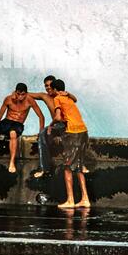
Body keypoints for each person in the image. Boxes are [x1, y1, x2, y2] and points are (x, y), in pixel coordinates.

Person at [0, 83, 45, 173]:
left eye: (23, 94)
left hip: (18, 124)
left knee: (12, 134)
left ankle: (12, 162)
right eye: (18, 94)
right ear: (15, 92)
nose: (20, 97)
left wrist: (41, 132)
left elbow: (41, 116)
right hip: (6, 121)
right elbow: (0, 114)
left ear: (26, 93)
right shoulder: (9, 99)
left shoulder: (30, 100)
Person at [29, 75, 89, 178]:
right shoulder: (45, 96)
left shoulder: (62, 96)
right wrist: (17, 92)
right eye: (46, 86)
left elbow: (75, 99)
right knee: (42, 134)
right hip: (57, 125)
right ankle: (44, 168)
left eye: (50, 86)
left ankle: (81, 165)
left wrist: (68, 93)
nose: (48, 88)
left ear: (55, 87)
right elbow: (29, 95)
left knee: (78, 138)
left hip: (66, 124)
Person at [50, 79, 91, 209]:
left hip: (73, 133)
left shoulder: (57, 98)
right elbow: (75, 99)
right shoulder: (68, 97)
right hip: (84, 131)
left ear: (55, 90)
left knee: (67, 166)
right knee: (78, 166)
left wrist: (51, 125)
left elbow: (57, 117)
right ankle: (85, 199)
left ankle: (70, 200)